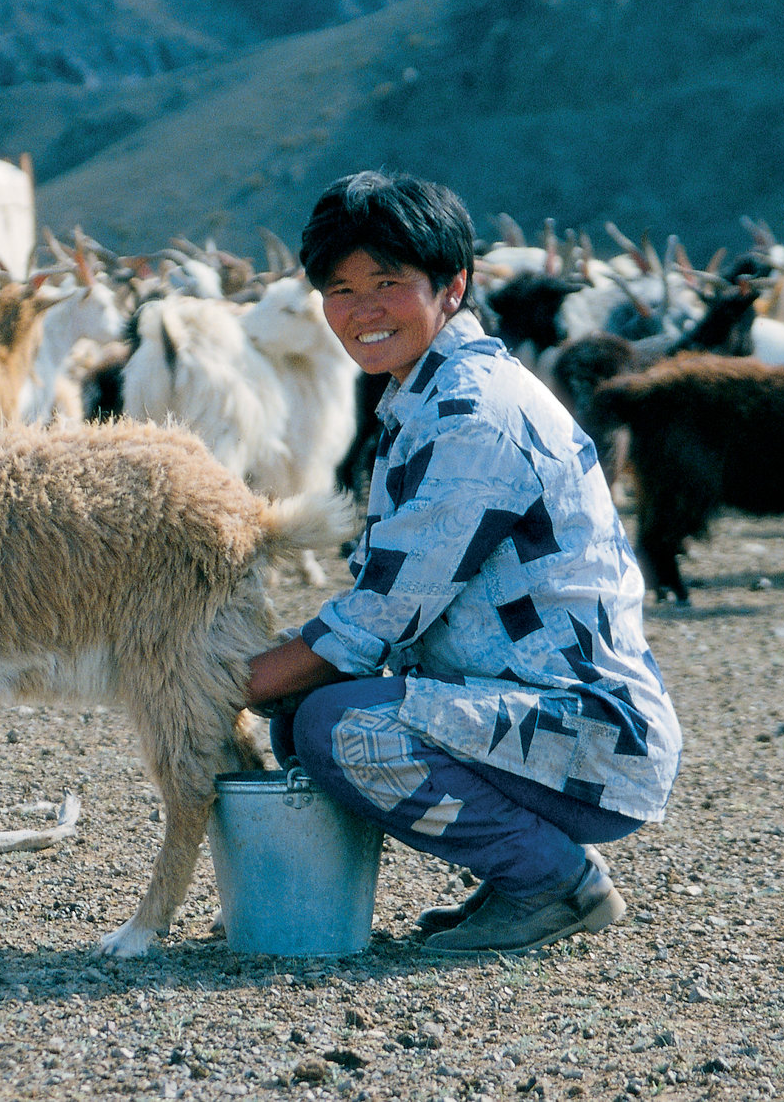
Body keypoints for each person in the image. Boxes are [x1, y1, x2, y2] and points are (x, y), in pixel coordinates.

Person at [246, 170, 682, 954]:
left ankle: (551, 880)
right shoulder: (423, 394)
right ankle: (522, 871)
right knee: (305, 706)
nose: (362, 309)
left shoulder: (472, 414)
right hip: (533, 710)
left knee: (333, 721)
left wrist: (212, 680)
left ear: (452, 286)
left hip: (589, 732)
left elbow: (379, 617)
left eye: (387, 282)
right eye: (340, 289)